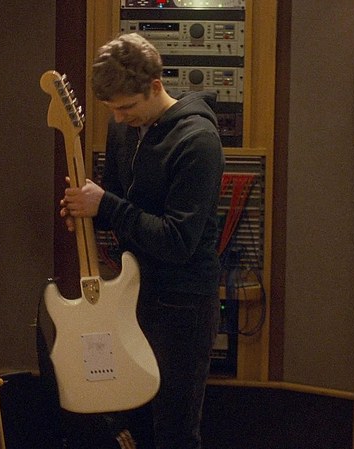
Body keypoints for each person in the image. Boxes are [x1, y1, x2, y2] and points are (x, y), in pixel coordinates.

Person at [58, 32, 224, 449]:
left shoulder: (198, 141)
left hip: (183, 303)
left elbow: (178, 240)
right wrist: (85, 213)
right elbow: (118, 200)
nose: (119, 119)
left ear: (155, 85)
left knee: (174, 432)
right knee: (135, 425)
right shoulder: (124, 129)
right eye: (112, 109)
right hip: (132, 295)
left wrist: (105, 205)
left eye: (127, 107)